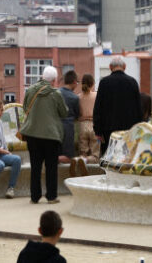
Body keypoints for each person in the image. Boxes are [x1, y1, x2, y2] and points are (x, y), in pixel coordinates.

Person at [21, 65, 68, 205]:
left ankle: (34, 197)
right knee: (51, 167)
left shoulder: (30, 90)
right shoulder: (56, 94)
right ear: (54, 80)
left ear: (42, 78)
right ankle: (51, 196)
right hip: (51, 136)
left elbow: (25, 108)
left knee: (35, 167)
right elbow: (64, 113)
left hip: (32, 134)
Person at [93, 56, 141, 154]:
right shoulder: (132, 82)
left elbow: (98, 108)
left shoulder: (104, 83)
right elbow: (139, 108)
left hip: (108, 129)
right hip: (128, 130)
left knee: (109, 157)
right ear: (124, 66)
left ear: (110, 67)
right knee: (126, 157)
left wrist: (98, 131)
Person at [74, 73, 100, 168]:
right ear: (93, 83)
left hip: (82, 126)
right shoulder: (97, 96)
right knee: (95, 156)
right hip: (95, 126)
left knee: (82, 152)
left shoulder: (78, 97)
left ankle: (80, 161)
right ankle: (87, 163)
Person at [57, 70, 80, 169]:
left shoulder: (56, 93)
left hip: (55, 127)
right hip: (68, 127)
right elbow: (77, 115)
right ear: (74, 82)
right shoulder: (75, 97)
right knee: (69, 156)